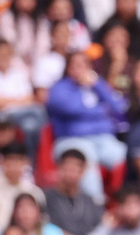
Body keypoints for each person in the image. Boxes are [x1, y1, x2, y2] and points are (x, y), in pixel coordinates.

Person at [46, 51, 127, 204]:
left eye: (84, 65)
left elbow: (118, 107)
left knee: (125, 155)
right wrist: (101, 111)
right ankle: (97, 206)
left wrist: (97, 86)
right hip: (72, 139)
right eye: (75, 65)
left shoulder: (97, 84)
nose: (80, 69)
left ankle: (124, 200)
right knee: (86, 160)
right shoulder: (59, 88)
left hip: (103, 139)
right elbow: (71, 109)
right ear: (68, 68)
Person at [43, 148, 104, 235]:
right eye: (67, 168)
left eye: (75, 169)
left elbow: (100, 230)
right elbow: (45, 230)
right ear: (59, 168)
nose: (71, 173)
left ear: (83, 170)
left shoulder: (90, 201)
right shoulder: (45, 197)